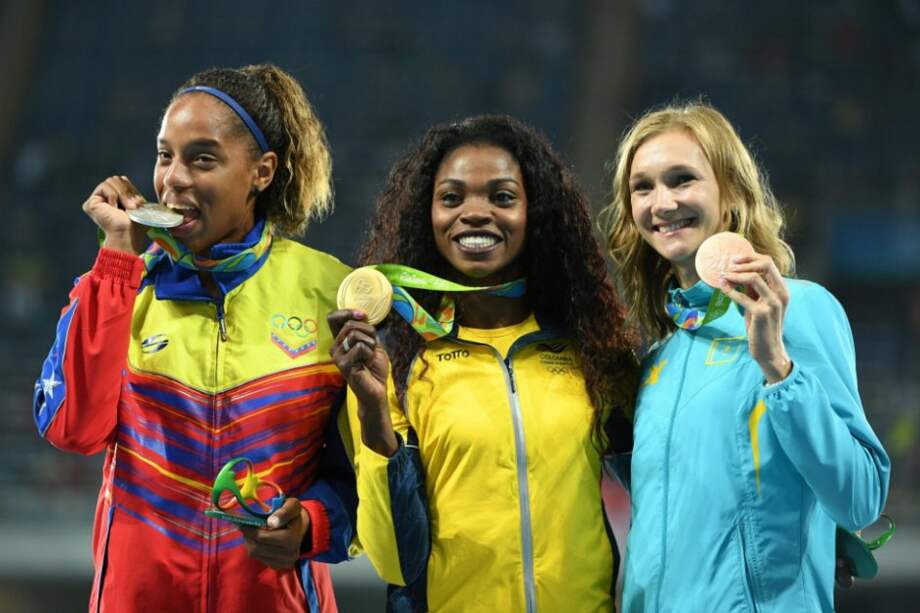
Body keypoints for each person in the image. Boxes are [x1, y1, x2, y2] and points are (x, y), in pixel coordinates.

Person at [32, 64, 356, 613]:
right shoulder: (119, 288)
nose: (173, 179)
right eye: (165, 155)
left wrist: (312, 525)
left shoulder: (330, 291)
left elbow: (364, 469)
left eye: (202, 158)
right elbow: (73, 431)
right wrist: (116, 257)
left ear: (261, 171)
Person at [327, 115, 640, 612]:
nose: (475, 212)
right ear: (425, 217)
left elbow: (655, 501)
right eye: (452, 198)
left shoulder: (588, 351)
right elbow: (391, 561)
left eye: (501, 197)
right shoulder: (397, 362)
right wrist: (372, 414)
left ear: (535, 213)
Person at [603, 101, 891, 612]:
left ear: (732, 194)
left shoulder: (797, 309)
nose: (662, 201)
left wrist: (778, 367)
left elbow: (861, 497)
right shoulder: (659, 361)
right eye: (642, 187)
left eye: (682, 179)